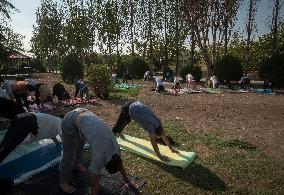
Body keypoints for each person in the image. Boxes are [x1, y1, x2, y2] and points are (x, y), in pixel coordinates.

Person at [59, 108, 136, 194]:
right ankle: (63, 182)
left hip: (85, 116)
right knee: (68, 154)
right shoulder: (99, 157)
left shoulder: (116, 150)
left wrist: (127, 181)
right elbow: (94, 184)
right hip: (69, 121)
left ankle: (75, 164)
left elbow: (120, 165)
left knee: (79, 147)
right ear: (104, 164)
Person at [112, 101, 179, 161]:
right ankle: (113, 134)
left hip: (136, 104)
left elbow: (164, 136)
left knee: (127, 120)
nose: (155, 137)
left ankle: (119, 132)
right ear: (154, 133)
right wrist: (159, 156)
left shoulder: (158, 123)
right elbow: (153, 142)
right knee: (121, 122)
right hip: (128, 107)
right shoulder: (150, 127)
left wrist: (171, 148)